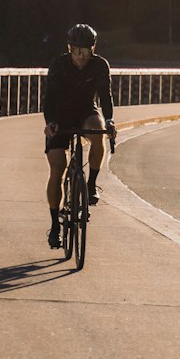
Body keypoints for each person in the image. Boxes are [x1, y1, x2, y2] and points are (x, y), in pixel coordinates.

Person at [42, 22, 116, 249]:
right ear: (69, 48)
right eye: (76, 51)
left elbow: (105, 97)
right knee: (57, 167)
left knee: (98, 131)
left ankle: (91, 184)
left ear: (93, 49)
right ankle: (55, 225)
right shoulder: (59, 65)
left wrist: (110, 121)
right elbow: (49, 99)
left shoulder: (100, 66)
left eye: (84, 52)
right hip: (60, 116)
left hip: (86, 111)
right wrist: (50, 123)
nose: (80, 56)